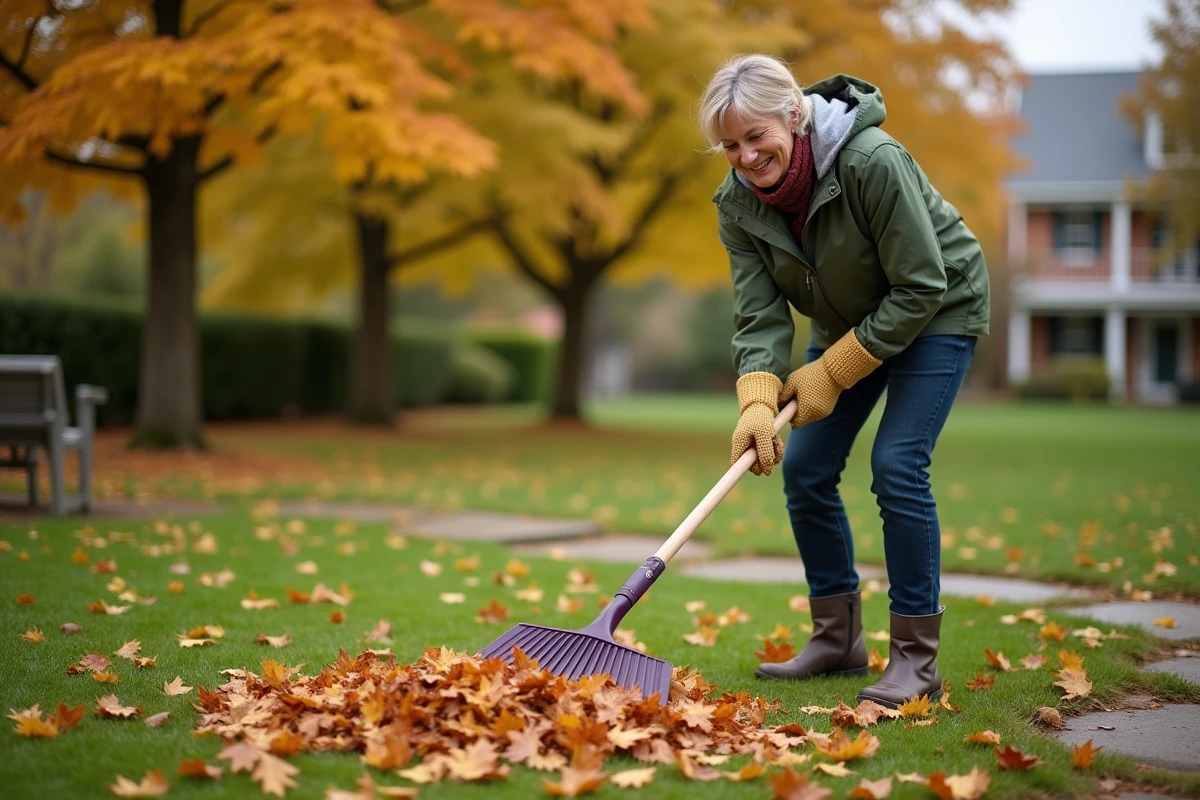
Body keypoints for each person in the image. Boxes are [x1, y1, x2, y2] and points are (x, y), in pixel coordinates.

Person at [697, 54, 989, 708]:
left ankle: (915, 661)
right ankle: (838, 639)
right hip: (848, 318)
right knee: (805, 470)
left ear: (794, 115)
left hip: (938, 308)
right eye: (730, 144)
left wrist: (834, 368)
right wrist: (757, 397)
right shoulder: (736, 203)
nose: (745, 156)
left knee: (897, 464)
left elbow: (921, 284)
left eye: (756, 136)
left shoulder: (871, 161)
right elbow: (759, 313)